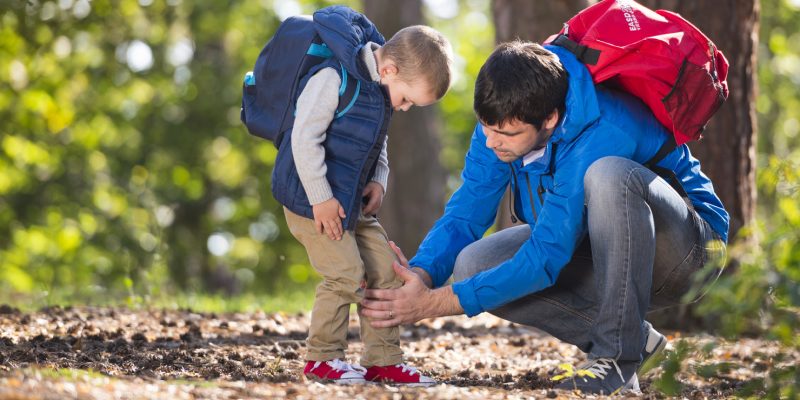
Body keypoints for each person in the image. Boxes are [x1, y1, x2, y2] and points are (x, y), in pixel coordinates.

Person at [361, 40, 728, 395]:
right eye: (486, 128)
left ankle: (617, 358)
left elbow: (546, 258)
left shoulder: (602, 130)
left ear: (550, 119)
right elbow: (465, 215)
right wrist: (420, 276)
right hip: (599, 247)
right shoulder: (503, 116)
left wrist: (434, 304)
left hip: (686, 254)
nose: (491, 142)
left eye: (505, 134)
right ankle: (636, 340)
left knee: (610, 175)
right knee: (474, 265)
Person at [273, 6, 453, 386]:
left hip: (353, 200)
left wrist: (380, 179)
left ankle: (383, 360)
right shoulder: (331, 77)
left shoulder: (381, 92)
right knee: (345, 274)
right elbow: (303, 140)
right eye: (406, 100)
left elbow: (377, 139)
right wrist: (321, 198)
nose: (402, 108)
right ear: (389, 70)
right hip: (313, 201)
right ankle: (322, 359)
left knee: (386, 269)